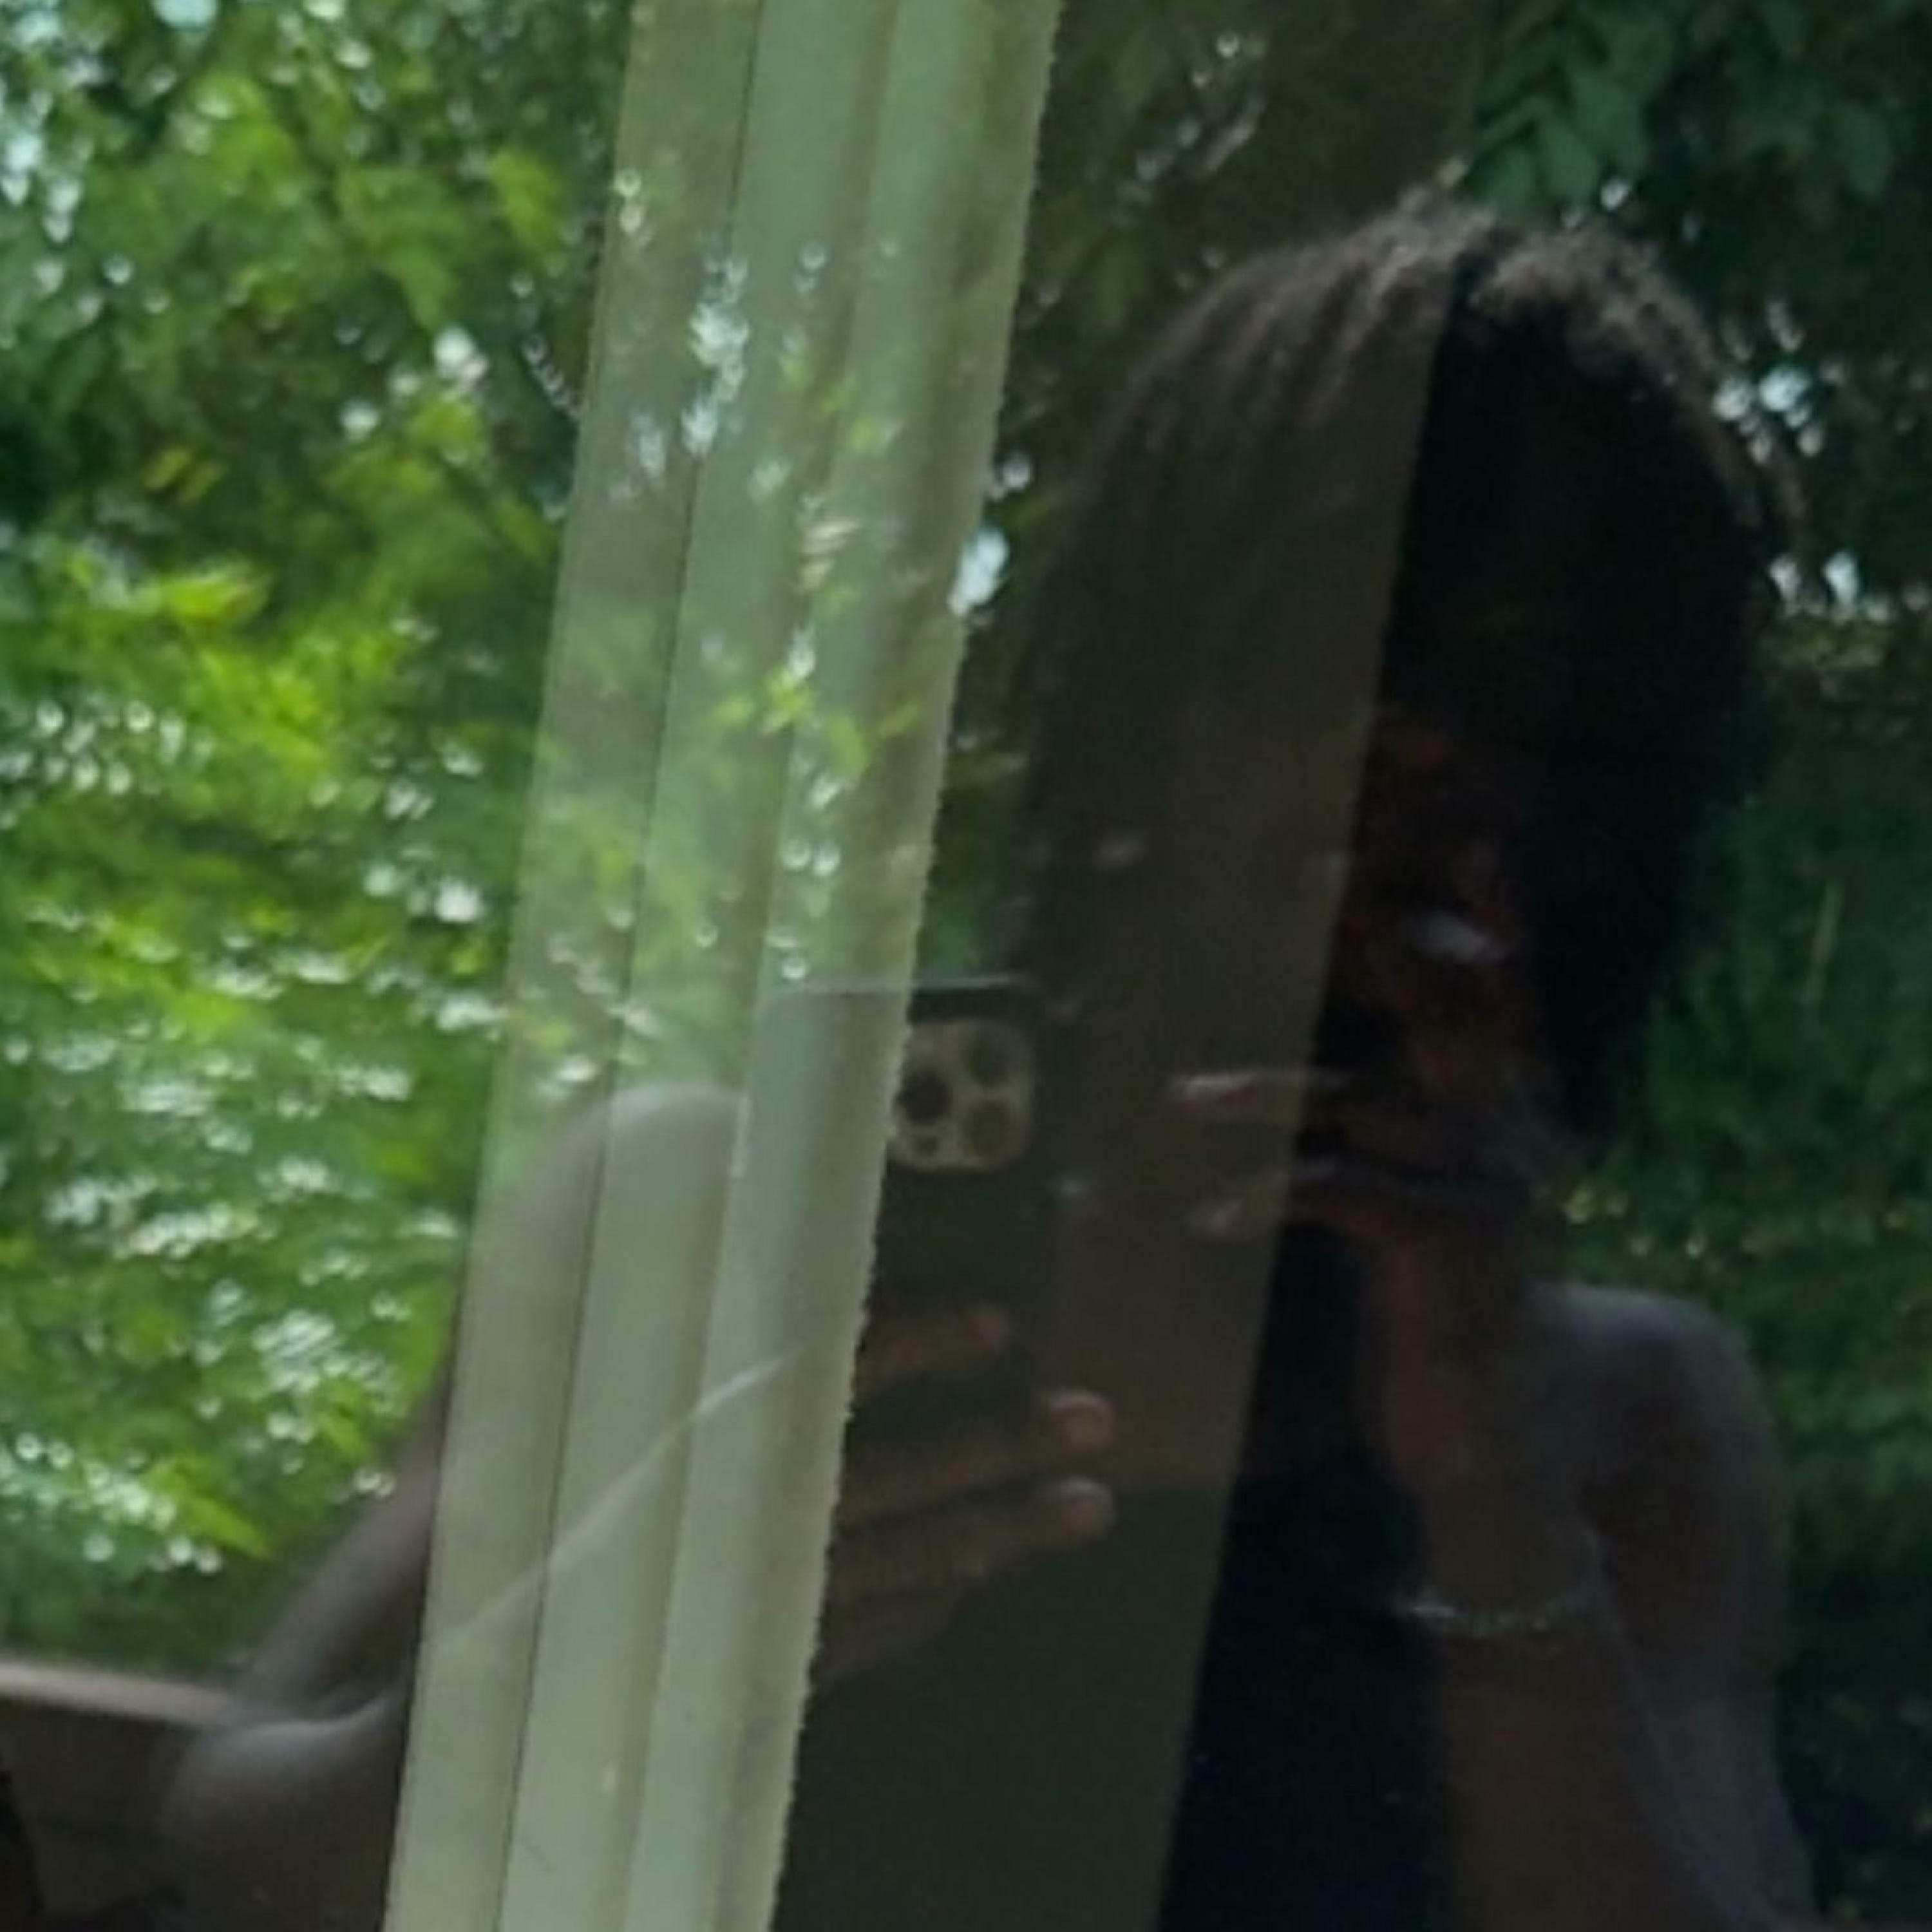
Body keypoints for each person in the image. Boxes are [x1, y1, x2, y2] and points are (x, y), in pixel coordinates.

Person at [161, 201, 1819, 1931]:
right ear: (1155, 730)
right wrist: (614, 1647)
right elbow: (249, 1846)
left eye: (1503, 807)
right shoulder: (701, 1224)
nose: (1401, 901)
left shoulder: (1614, 1414)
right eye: (1351, 761)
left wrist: (1490, 1491)